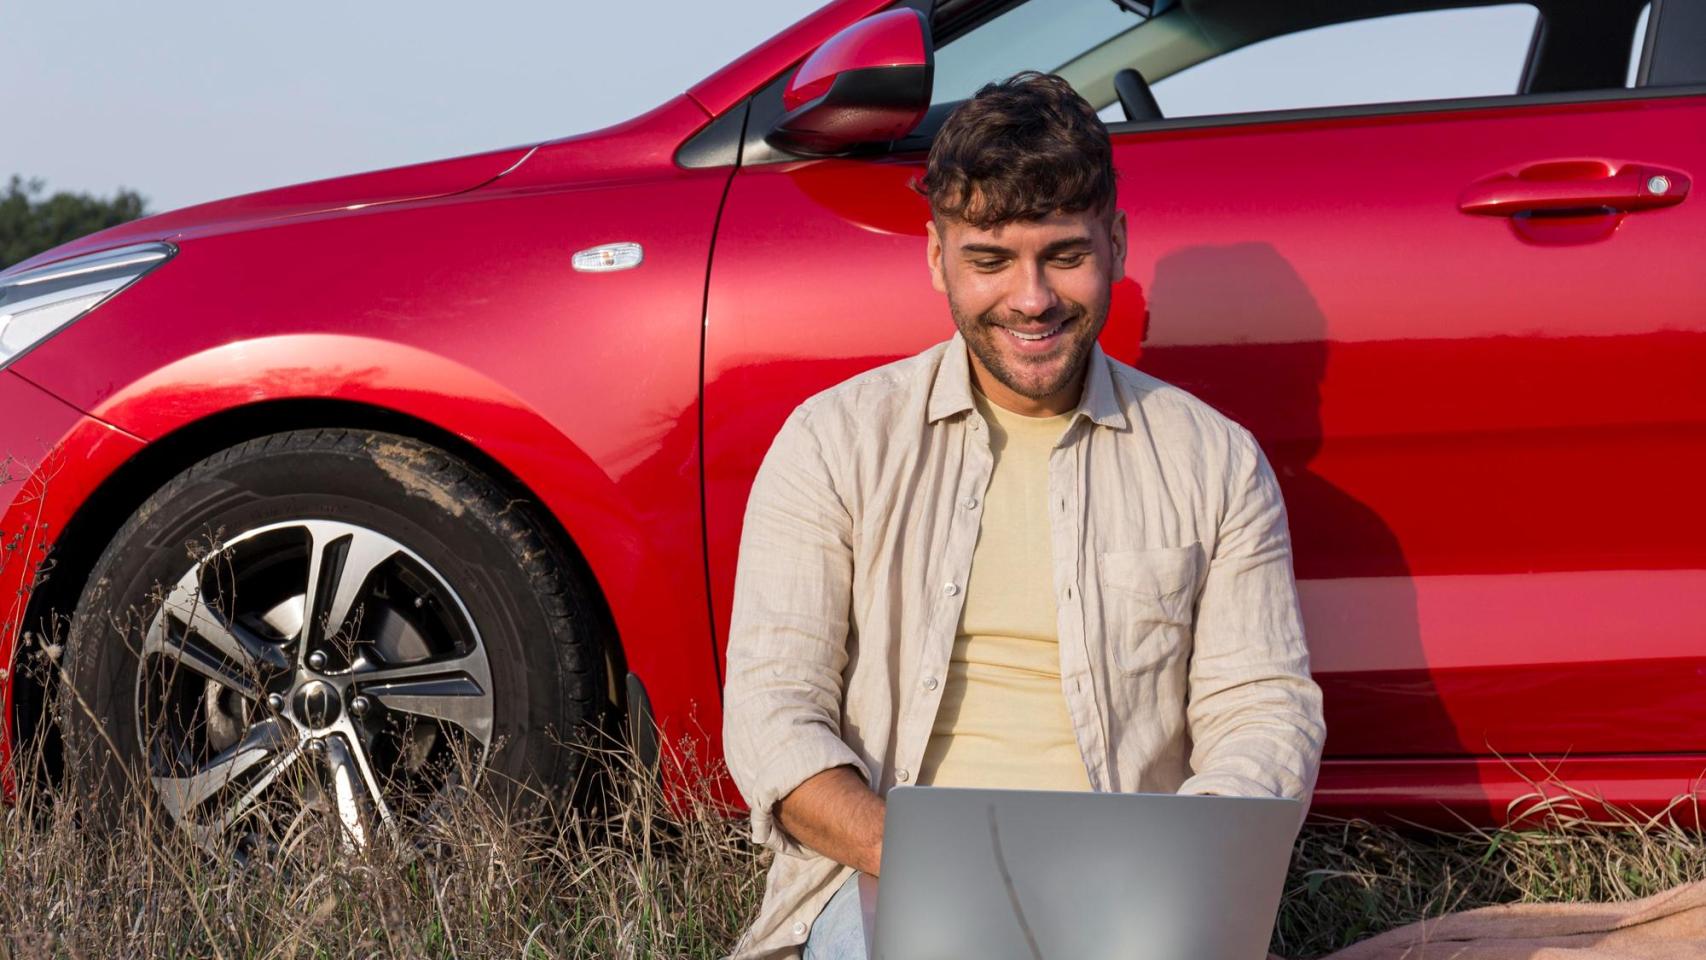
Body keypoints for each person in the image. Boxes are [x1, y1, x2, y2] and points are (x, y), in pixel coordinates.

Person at [722, 70, 1326, 960]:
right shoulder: (832, 443)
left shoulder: (1215, 460)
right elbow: (773, 716)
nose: (1033, 298)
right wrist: (930, 861)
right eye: (991, 260)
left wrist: (1177, 866)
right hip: (896, 882)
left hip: (1133, 898)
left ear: (1115, 243)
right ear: (938, 259)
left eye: (1064, 255)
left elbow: (1263, 710)